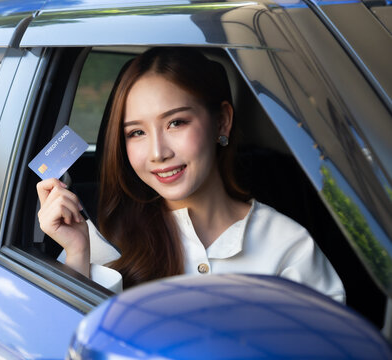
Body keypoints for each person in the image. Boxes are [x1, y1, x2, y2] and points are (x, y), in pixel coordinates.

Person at [36, 47, 345, 302]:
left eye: (176, 123)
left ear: (222, 122)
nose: (158, 152)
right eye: (137, 132)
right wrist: (76, 254)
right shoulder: (98, 237)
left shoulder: (287, 246)